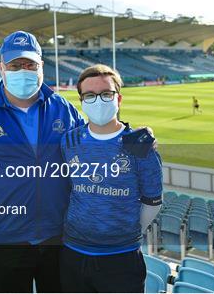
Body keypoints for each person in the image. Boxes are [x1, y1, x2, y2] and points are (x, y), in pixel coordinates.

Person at [0, 31, 85, 293]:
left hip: (59, 239)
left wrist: (129, 138)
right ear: (2, 68)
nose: (24, 70)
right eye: (15, 65)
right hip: (5, 240)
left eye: (30, 64)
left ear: (41, 66)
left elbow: (94, 148)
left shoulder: (63, 109)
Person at [59, 65, 163, 293]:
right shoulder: (69, 140)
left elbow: (153, 200)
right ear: (82, 101)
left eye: (106, 94)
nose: (98, 101)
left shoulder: (139, 143)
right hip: (72, 254)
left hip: (121, 260)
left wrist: (126, 233)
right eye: (90, 95)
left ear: (119, 98)